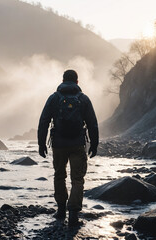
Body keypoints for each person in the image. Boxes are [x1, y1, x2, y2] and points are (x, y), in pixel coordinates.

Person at [38, 69, 99, 227]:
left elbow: (44, 121)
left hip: (58, 144)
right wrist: (94, 143)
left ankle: (60, 210)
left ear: (63, 80)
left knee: (59, 176)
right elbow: (92, 123)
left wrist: (41, 144)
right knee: (77, 179)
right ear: (77, 82)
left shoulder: (54, 98)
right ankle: (73, 214)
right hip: (78, 144)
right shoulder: (83, 99)